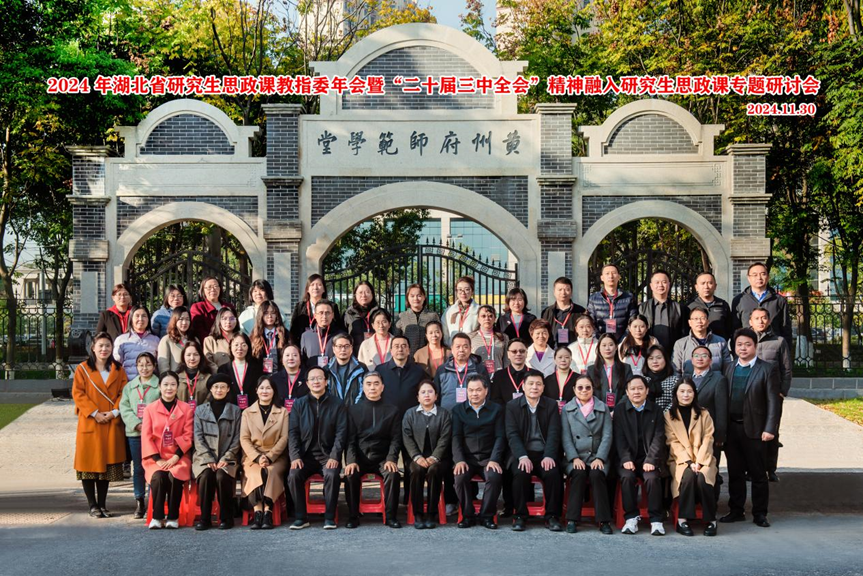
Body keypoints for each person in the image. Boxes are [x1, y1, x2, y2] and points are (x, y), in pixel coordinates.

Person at [720, 328, 781, 528]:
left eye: (747, 344)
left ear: (755, 346)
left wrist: (770, 428)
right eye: (739, 344)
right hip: (732, 429)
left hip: (756, 430)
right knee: (735, 472)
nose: (743, 348)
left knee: (758, 474)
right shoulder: (729, 368)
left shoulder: (767, 369)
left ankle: (760, 513)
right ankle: (736, 510)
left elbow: (773, 402)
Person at [72, 332, 128, 518]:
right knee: (89, 464)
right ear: (93, 348)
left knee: (107, 465)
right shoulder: (82, 369)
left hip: (111, 420)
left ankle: (103, 504)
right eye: (100, 345)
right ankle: (92, 505)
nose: (104, 349)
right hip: (90, 421)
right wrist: (95, 413)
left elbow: (124, 392)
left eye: (108, 346)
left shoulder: (118, 369)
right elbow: (78, 393)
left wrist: (114, 412)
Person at [288, 366, 348, 530]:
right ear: (307, 383)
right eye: (312, 379)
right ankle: (301, 517)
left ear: (326, 382)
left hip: (327, 455)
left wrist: (335, 456)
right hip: (305, 455)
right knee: (294, 475)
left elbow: (341, 433)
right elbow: (293, 432)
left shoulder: (337, 404)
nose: (316, 381)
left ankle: (329, 517)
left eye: (320, 378)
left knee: (332, 474)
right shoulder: (299, 404)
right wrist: (295, 456)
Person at [505, 370, 564, 532]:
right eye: (530, 384)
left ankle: (552, 516)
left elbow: (554, 433)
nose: (534, 387)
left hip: (544, 453)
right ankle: (520, 515)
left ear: (543, 387)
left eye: (538, 384)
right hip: (522, 453)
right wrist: (522, 456)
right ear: (523, 386)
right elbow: (512, 434)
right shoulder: (512, 406)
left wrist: (549, 455)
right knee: (520, 473)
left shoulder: (551, 405)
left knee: (553, 473)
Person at [344, 372, 403, 529]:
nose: (372, 387)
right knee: (350, 474)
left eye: (376, 384)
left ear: (382, 387)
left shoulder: (392, 411)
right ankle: (353, 516)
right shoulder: (353, 410)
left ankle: (390, 516)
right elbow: (350, 440)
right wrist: (351, 461)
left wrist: (391, 459)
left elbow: (396, 439)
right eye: (368, 384)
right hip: (360, 457)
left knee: (393, 474)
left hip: (383, 458)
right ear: (363, 387)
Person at [664, 378, 718, 536]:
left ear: (694, 393)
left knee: (703, 479)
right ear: (676, 394)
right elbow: (672, 441)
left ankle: (711, 520)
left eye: (689, 391)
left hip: (704, 459)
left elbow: (708, 439)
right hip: (680, 460)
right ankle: (683, 519)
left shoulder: (704, 414)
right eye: (682, 391)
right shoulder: (669, 415)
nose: (686, 395)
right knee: (687, 477)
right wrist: (688, 462)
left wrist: (699, 462)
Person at [560, 375, 614, 534]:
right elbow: (565, 436)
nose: (584, 390)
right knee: (578, 474)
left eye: (588, 387)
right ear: (574, 389)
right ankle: (572, 519)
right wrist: (574, 457)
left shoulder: (603, 408)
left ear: (593, 389)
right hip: (575, 457)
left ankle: (604, 520)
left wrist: (600, 457)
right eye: (580, 387)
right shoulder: (567, 409)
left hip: (597, 456)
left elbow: (607, 435)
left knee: (597, 475)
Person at [141, 371, 194, 529]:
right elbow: (146, 437)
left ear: (178, 387)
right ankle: (157, 517)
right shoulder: (150, 409)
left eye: (172, 384)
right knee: (158, 477)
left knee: (174, 475)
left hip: (179, 457)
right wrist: (158, 460)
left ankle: (173, 517)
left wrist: (175, 457)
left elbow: (188, 435)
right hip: (155, 458)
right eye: (165, 384)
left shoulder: (186, 408)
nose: (169, 388)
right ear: (159, 387)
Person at [615, 375, 667, 535]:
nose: (636, 392)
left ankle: (656, 520)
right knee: (627, 477)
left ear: (647, 391)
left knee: (652, 478)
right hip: (629, 459)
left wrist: (651, 459)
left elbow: (659, 437)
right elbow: (619, 437)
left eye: (640, 388)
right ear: (627, 392)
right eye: (632, 389)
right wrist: (625, 458)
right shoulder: (620, 410)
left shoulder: (656, 410)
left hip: (649, 459)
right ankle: (631, 518)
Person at [451, 375, 505, 529]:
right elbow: (456, 437)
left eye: (478, 390)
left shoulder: (496, 410)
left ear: (486, 391)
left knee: (494, 477)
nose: (474, 393)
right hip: (467, 459)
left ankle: (486, 516)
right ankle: (467, 515)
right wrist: (459, 460)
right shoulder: (458, 410)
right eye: (471, 390)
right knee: (459, 477)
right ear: (467, 391)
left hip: (488, 458)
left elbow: (500, 437)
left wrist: (494, 459)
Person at [192, 373, 242, 530]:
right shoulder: (200, 410)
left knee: (222, 476)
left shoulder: (235, 411)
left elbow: (237, 438)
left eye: (222, 387)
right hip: (204, 458)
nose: (219, 390)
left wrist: (226, 457)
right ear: (210, 389)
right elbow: (198, 437)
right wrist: (208, 458)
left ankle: (226, 518)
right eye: (215, 387)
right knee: (206, 476)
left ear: (228, 389)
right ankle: (205, 518)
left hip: (228, 458)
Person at [240, 376, 290, 530]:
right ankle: (258, 512)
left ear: (274, 391)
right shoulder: (247, 412)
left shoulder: (282, 412)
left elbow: (284, 438)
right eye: (261, 388)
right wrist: (257, 457)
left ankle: (268, 511)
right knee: (255, 472)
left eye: (268, 388)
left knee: (270, 471)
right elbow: (244, 438)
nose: (265, 391)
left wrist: (269, 456)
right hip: (252, 456)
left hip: (276, 456)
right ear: (256, 390)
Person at [750, 307, 793, 481]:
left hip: (773, 395)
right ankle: (752, 469)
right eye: (756, 318)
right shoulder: (745, 340)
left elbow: (786, 369)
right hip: (751, 395)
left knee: (772, 431)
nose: (760, 321)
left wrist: (782, 391)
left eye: (764, 318)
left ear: (768, 320)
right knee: (752, 432)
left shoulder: (779, 341)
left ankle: (770, 469)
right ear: (750, 321)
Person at [402, 380, 452, 530]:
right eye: (423, 392)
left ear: (436, 396)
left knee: (434, 470)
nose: (427, 395)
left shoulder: (444, 414)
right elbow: (407, 437)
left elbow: (445, 438)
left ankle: (431, 513)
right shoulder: (410, 414)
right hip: (415, 458)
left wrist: (434, 457)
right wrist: (417, 456)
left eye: (430, 392)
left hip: (439, 458)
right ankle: (418, 514)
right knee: (416, 470)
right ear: (418, 397)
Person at [118, 352, 160, 519]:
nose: (144, 368)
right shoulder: (130, 387)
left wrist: (149, 426)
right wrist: (136, 424)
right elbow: (125, 408)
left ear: (154, 366)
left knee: (154, 466)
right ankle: (139, 500)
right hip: (134, 433)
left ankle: (153, 500)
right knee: (138, 467)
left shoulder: (159, 385)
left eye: (148, 364)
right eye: (140, 365)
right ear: (136, 367)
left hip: (154, 434)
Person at [732, 262, 793, 345]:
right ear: (748, 278)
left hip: (773, 347)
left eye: (763, 274)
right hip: (748, 348)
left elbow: (786, 329)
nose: (759, 278)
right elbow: (734, 329)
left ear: (768, 277)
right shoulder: (739, 300)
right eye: (755, 275)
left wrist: (786, 350)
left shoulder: (779, 300)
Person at [433, 332, 488, 411]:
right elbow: (436, 396)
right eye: (458, 347)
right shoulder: (442, 370)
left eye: (465, 347)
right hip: (447, 415)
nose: (461, 350)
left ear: (470, 349)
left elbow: (487, 394)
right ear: (452, 349)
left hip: (472, 415)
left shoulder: (479, 369)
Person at [672, 306, 732, 376]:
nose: (699, 321)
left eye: (702, 318)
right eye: (695, 319)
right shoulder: (680, 344)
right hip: (689, 382)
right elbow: (676, 371)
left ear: (708, 322)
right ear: (689, 322)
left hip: (715, 381)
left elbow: (727, 369)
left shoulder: (720, 342)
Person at [586, 264, 638, 339]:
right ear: (602, 278)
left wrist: (623, 340)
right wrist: (601, 340)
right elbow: (591, 322)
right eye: (607, 273)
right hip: (600, 342)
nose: (611, 276)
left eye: (614, 273)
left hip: (623, 342)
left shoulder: (628, 298)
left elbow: (632, 322)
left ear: (619, 277)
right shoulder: (593, 299)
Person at [639, 270, 686, 351]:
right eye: (657, 282)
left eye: (664, 282)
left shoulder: (679, 308)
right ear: (651, 286)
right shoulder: (642, 308)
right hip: (648, 352)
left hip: (673, 352)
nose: (660, 285)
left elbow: (684, 332)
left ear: (669, 284)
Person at [379, 335, 426, 416]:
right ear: (391, 351)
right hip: (386, 417)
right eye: (396, 346)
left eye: (404, 346)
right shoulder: (381, 370)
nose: (400, 349)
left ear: (409, 350)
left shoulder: (418, 371)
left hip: (412, 416)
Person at [290, 274, 344, 344]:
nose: (315, 288)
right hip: (305, 343)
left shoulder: (332, 306)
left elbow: (338, 327)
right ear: (307, 289)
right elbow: (293, 331)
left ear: (324, 289)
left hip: (326, 342)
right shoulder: (300, 307)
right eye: (312, 285)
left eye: (319, 285)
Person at [587, 333, 633, 411]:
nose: (607, 348)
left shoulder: (626, 368)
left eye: (611, 345)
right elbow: (588, 393)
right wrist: (601, 410)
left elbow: (629, 391)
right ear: (599, 348)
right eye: (604, 345)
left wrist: (617, 410)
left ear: (616, 347)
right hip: (597, 411)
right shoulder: (591, 370)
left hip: (621, 411)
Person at [113, 305, 160, 381]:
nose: (140, 319)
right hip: (128, 383)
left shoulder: (156, 340)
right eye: (137, 316)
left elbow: (159, 364)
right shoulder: (121, 340)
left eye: (144, 316)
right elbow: (116, 364)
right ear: (131, 318)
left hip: (150, 384)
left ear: (148, 319)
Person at [218, 333, 263, 409]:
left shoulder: (256, 368)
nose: (240, 348)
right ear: (230, 347)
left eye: (243, 345)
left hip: (252, 410)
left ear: (248, 347)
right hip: (230, 410)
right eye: (236, 345)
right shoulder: (223, 369)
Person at [190, 276, 236, 345]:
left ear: (220, 289)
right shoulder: (198, 307)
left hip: (230, 344)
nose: (212, 289)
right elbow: (199, 331)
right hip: (210, 345)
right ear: (203, 290)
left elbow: (235, 327)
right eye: (209, 287)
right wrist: (215, 344)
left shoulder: (229, 307)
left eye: (215, 286)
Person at [394, 283, 441, 353]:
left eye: (419, 295)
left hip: (428, 354)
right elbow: (396, 338)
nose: (415, 298)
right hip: (408, 355)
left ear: (424, 297)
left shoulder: (432, 316)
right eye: (412, 296)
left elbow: (439, 336)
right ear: (407, 298)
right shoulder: (402, 316)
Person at [300, 299, 346, 368]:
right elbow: (303, 361)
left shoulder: (341, 336)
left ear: (332, 315)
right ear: (315, 315)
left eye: (327, 313)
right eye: (321, 313)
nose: (324, 316)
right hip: (312, 373)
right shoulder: (306, 336)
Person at [687, 272, 733, 340]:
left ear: (715, 286)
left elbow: (729, 328)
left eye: (710, 283)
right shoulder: (689, 306)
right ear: (696, 287)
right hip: (695, 345)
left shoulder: (723, 304)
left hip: (719, 344)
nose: (706, 287)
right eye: (703, 283)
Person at [540, 276, 586, 346]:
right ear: (554, 292)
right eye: (560, 289)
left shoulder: (580, 311)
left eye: (567, 289)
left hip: (574, 349)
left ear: (571, 292)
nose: (563, 293)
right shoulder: (546, 312)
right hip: (552, 350)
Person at [343, 281, 385, 352]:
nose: (364, 295)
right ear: (355, 295)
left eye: (367, 292)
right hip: (355, 355)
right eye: (360, 292)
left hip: (378, 354)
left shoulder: (381, 313)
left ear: (372, 294)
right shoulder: (348, 314)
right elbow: (342, 336)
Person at [326, 334, 367, 405]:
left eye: (346, 346)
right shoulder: (327, 370)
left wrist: (356, 408)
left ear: (351, 348)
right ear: (333, 349)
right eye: (339, 346)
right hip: (334, 410)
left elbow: (365, 391)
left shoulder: (361, 368)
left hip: (356, 409)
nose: (343, 349)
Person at [250, 300, 288, 375]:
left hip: (281, 375)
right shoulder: (255, 335)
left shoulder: (285, 334)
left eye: (273, 313)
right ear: (261, 315)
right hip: (260, 376)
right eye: (266, 313)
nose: (270, 316)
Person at [469, 305, 508, 375]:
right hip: (477, 378)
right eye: (483, 316)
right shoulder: (470, 337)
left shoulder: (503, 338)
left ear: (495, 318)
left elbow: (506, 361)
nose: (487, 318)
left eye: (490, 316)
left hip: (498, 377)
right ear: (478, 319)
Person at [490, 339, 530, 406]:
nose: (518, 354)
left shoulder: (535, 375)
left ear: (526, 353)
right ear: (508, 354)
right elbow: (495, 400)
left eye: (522, 351)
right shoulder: (499, 376)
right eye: (514, 351)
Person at [442, 276, 480, 345]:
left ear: (472, 291)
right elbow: (444, 332)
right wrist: (449, 346)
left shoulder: (478, 310)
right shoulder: (449, 311)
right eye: (459, 289)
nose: (463, 293)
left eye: (467, 289)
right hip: (452, 348)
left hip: (471, 348)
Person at [176, 341, 213, 410]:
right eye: (188, 355)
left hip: (202, 414)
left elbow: (209, 399)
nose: (192, 358)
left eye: (196, 354)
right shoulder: (176, 377)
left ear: (200, 356)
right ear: (183, 357)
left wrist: (199, 412)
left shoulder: (208, 377)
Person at [157, 306, 194, 374]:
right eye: (181, 319)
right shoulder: (167, 340)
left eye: (187, 319)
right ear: (175, 320)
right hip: (175, 379)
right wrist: (168, 378)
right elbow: (163, 365)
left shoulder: (194, 339)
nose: (184, 322)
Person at [271, 344, 309, 410]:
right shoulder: (274, 379)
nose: (291, 358)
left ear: (300, 359)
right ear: (282, 360)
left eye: (295, 355)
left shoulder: (308, 377)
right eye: (287, 355)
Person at [202, 307, 240, 372]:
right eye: (224, 318)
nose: (228, 322)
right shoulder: (210, 340)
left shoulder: (241, 338)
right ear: (219, 320)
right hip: (219, 376)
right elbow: (209, 362)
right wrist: (220, 374)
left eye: (231, 318)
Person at [642, 345, 679, 411]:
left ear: (665, 359)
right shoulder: (642, 381)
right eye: (651, 358)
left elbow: (675, 402)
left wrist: (661, 415)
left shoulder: (674, 381)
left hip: (667, 416)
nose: (655, 361)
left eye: (659, 358)